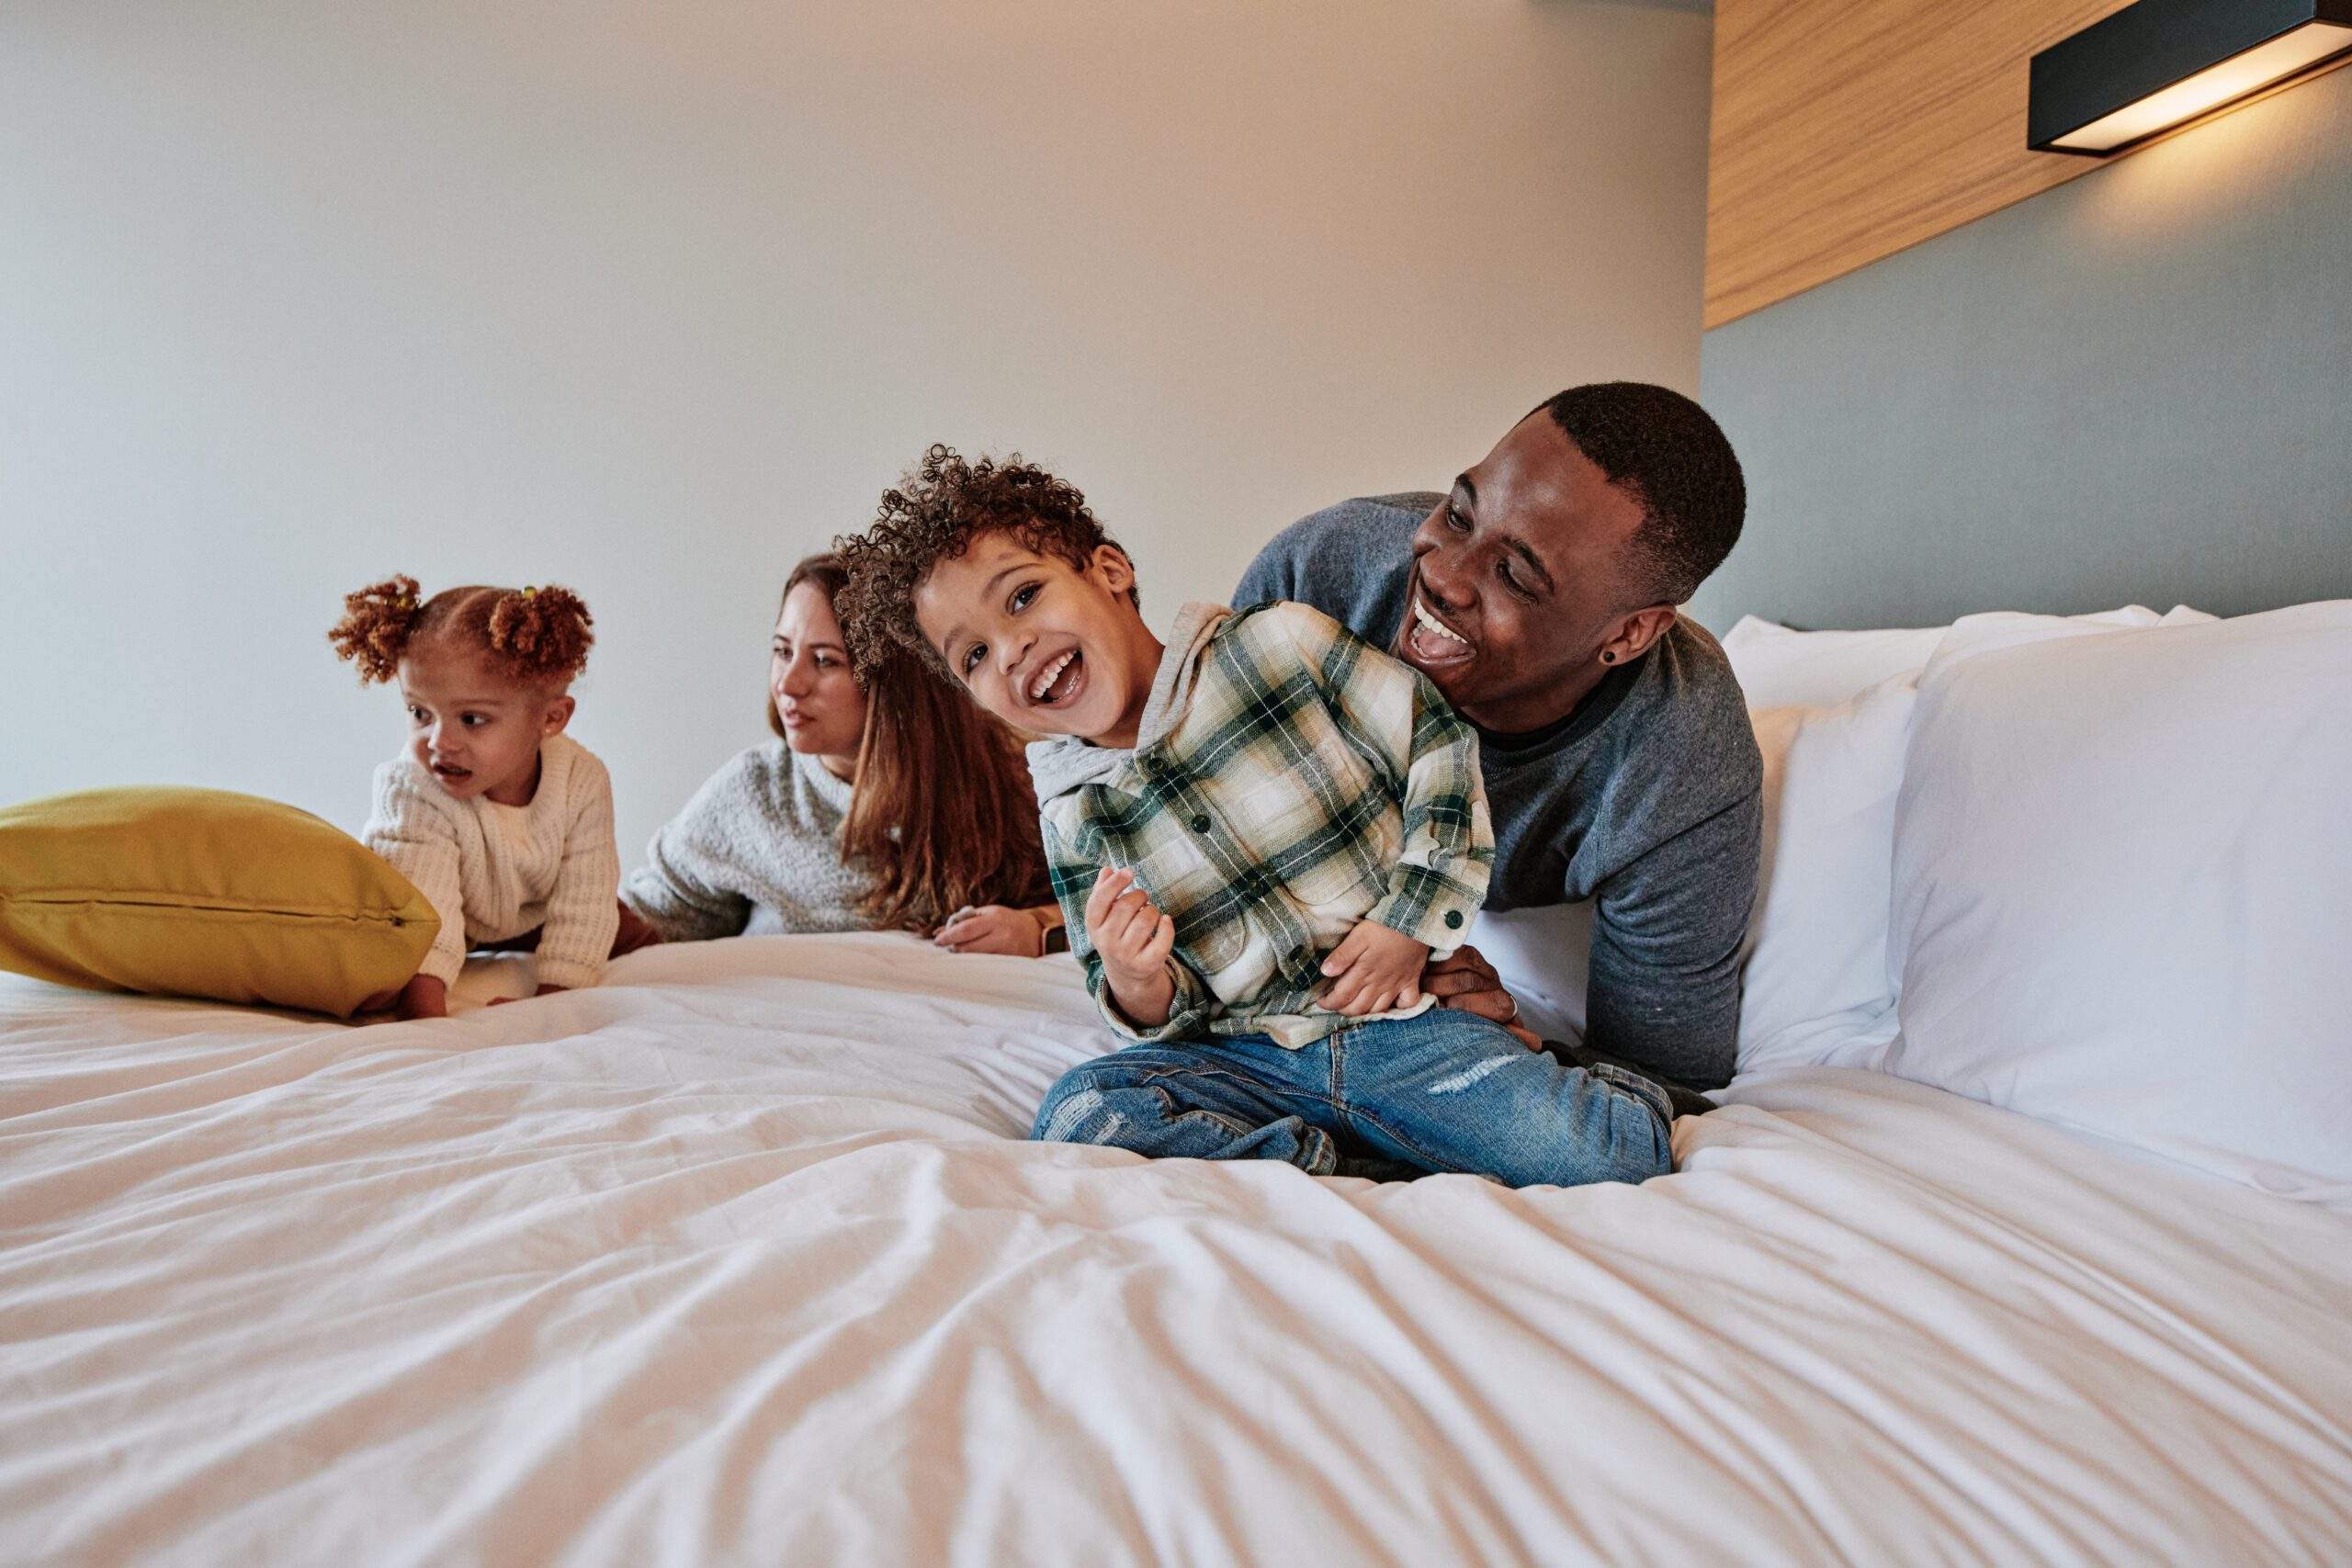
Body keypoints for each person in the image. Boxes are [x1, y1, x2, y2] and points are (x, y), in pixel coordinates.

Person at [834, 446, 1673, 1188]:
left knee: (1606, 1156)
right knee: (1082, 1110)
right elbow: (1149, 1007)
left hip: (1396, 1025)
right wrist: (1134, 978)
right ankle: (1337, 1165)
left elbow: (1436, 746)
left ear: (1110, 570)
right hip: (1245, 1058)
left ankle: (1524, 1101)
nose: (1011, 648)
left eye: (1022, 597)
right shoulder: (1071, 814)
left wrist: (1409, 925)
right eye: (975, 655)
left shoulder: (1280, 647)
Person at [1234, 382, 1761, 1101]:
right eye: (1458, 514)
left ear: (1629, 633)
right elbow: (1196, 844)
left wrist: (1502, 1039)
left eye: (1514, 573)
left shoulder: (1682, 763)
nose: (1442, 574)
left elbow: (1661, 1077)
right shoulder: (1318, 581)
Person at [623, 553, 1060, 954]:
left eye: (824, 661)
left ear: (894, 681)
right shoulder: (754, 791)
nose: (788, 684)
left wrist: (1037, 927)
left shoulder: (1009, 773)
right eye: (782, 652)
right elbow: (647, 919)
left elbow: (1092, 894)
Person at [330, 575, 621, 1020]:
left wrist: (551, 1007)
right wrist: (432, 1027)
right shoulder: (412, 788)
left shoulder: (581, 780)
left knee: (626, 932)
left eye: (471, 719)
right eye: (419, 712)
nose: (439, 741)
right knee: (375, 968)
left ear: (551, 718)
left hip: (539, 914)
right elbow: (425, 913)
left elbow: (585, 904)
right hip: (455, 918)